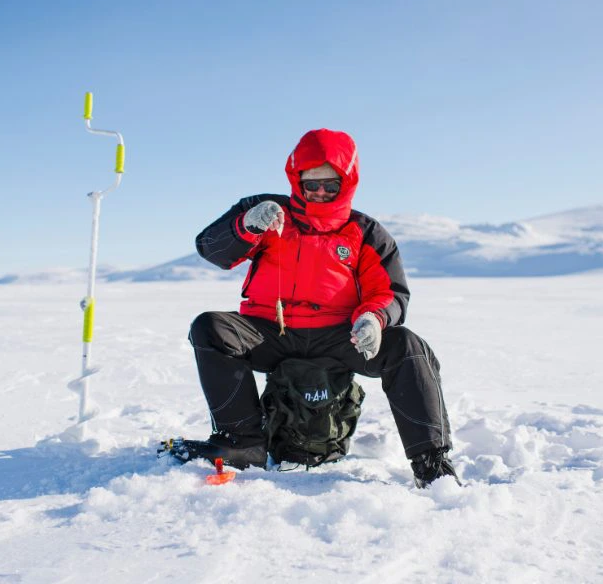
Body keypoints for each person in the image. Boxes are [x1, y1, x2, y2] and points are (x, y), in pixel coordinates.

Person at [182, 128, 459, 488]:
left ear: (348, 182)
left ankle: (432, 464)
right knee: (210, 327)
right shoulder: (266, 211)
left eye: (331, 185)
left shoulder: (365, 231)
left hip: (340, 337)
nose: (321, 193)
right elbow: (211, 250)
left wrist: (373, 320)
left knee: (407, 346)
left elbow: (390, 292)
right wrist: (246, 226)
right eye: (311, 184)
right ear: (296, 180)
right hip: (270, 332)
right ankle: (242, 444)